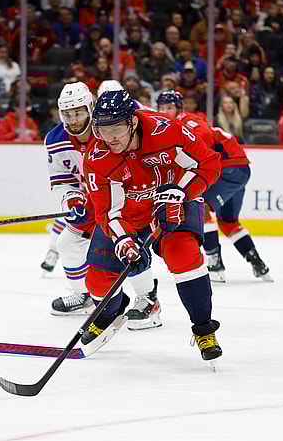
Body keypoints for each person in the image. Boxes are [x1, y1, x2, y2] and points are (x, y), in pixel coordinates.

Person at [82, 90, 223, 362]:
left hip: (173, 206)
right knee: (98, 281)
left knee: (186, 258)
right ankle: (112, 310)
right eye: (103, 129)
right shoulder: (97, 156)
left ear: (133, 122)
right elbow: (107, 209)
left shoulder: (168, 131)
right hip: (128, 217)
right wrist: (124, 240)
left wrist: (181, 191)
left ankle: (203, 328)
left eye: (117, 128)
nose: (110, 138)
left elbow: (208, 164)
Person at [43, 83, 161, 330]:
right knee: (67, 242)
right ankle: (86, 296)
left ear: (90, 108)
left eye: (78, 112)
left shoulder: (108, 131)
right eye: (67, 114)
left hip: (121, 199)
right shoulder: (55, 139)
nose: (73, 120)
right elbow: (61, 179)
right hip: (90, 202)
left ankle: (148, 299)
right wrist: (72, 198)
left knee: (129, 248)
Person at [156, 90, 272, 283]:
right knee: (228, 222)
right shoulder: (176, 125)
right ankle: (258, 263)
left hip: (228, 170)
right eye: (162, 108)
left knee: (202, 208)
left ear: (179, 108)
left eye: (170, 108)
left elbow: (203, 139)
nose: (166, 112)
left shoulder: (189, 121)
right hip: (238, 170)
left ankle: (215, 263)